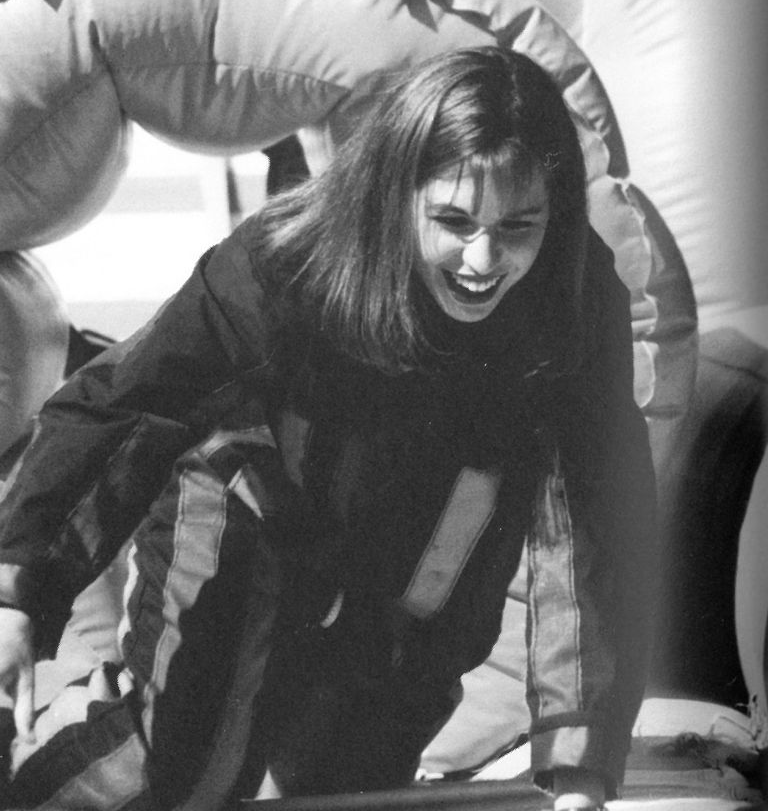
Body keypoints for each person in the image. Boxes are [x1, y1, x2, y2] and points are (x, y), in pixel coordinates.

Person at [0, 47, 656, 810]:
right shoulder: (287, 264)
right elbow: (130, 405)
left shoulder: (572, 296)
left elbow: (597, 517)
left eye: (519, 225)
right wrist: (18, 587)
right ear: (397, 195)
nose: (484, 258)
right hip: (251, 509)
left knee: (346, 783)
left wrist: (578, 758)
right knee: (190, 767)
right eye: (452, 220)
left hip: (423, 553)